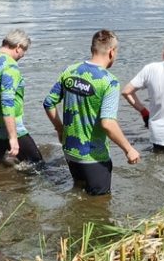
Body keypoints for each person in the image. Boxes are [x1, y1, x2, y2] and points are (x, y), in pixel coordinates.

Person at [43, 29, 140, 195]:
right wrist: (128, 149)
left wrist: (60, 129)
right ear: (111, 52)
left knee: (78, 196)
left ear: (92, 48)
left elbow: (48, 102)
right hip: (94, 157)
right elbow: (108, 123)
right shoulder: (109, 81)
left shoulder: (70, 71)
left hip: (70, 152)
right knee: (99, 207)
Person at [0, 29, 43, 164]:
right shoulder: (10, 67)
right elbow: (7, 103)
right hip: (9, 128)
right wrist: (13, 137)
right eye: (24, 51)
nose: (23, 55)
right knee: (37, 163)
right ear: (18, 47)